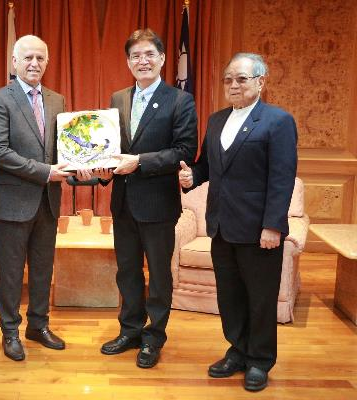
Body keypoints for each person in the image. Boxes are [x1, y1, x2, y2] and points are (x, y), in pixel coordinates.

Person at [178, 53, 297, 392]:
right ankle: (237, 351)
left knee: (260, 298)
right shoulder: (216, 120)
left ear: (261, 81)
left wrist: (273, 225)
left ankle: (259, 360)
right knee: (229, 297)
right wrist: (192, 175)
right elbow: (208, 166)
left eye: (241, 79)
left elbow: (281, 178)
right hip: (221, 227)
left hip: (259, 231)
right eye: (228, 78)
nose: (233, 84)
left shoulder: (278, 121)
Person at [97, 29, 197, 369]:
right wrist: (99, 167)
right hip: (123, 202)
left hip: (157, 203)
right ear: (128, 62)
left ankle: (154, 337)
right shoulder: (117, 98)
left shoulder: (180, 100)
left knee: (158, 273)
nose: (143, 61)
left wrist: (139, 162)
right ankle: (130, 330)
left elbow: (184, 150)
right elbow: (111, 150)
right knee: (127, 271)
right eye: (136, 56)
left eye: (149, 55)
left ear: (163, 59)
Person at [0, 35, 72, 361]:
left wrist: (82, 165)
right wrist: (46, 172)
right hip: (12, 204)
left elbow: (63, 149)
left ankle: (38, 325)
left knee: (42, 270)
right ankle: (10, 331)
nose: (34, 63)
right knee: (10, 273)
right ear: (14, 62)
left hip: (48, 201)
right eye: (28, 58)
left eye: (40, 58)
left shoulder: (57, 100)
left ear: (47, 62)